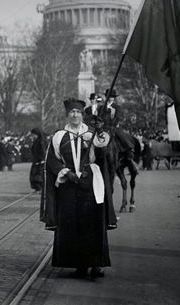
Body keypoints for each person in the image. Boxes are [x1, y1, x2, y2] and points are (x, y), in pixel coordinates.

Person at [40, 98, 117, 279]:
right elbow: (52, 159)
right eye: (72, 112)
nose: (75, 115)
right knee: (72, 225)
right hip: (68, 185)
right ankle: (80, 264)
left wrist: (99, 130)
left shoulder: (91, 134)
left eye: (79, 112)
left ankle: (96, 264)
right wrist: (65, 172)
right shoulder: (59, 136)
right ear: (67, 115)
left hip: (89, 183)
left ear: (83, 115)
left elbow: (102, 152)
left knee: (92, 223)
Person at [29, 127, 46, 191]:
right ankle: (37, 187)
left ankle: (40, 187)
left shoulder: (40, 142)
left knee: (38, 175)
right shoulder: (36, 141)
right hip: (36, 160)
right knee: (35, 175)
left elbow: (43, 152)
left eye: (33, 135)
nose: (32, 136)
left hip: (40, 161)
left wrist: (41, 159)